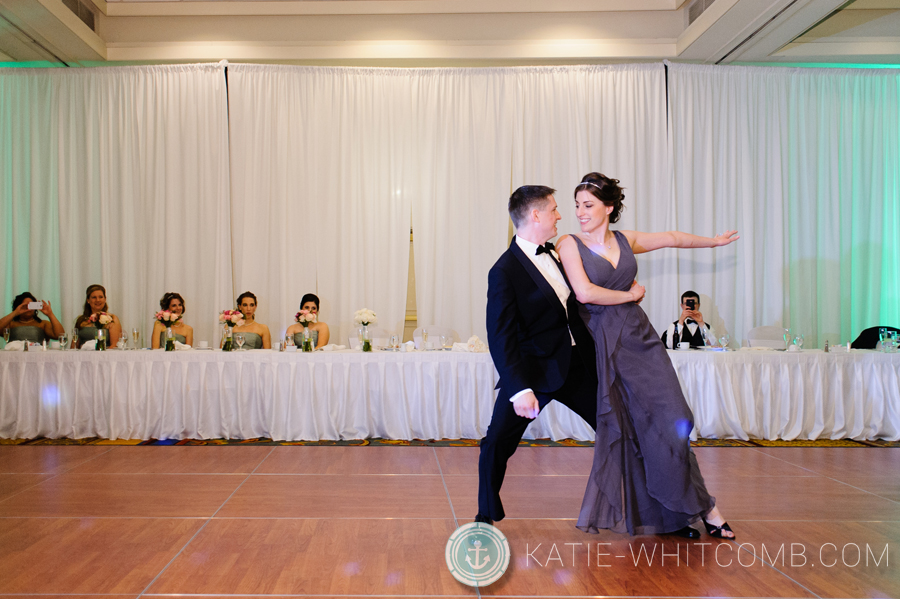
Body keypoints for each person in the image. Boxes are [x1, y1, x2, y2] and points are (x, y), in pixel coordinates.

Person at [556, 172, 738, 539]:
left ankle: (686, 508)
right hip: (607, 344)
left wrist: (713, 243)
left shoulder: (626, 240)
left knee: (675, 419)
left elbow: (672, 238)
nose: (580, 212)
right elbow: (585, 292)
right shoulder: (568, 243)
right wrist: (631, 295)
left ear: (608, 207)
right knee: (640, 430)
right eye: (577, 206)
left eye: (588, 205)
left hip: (641, 338)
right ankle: (690, 514)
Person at [477, 185, 598, 525]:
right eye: (555, 209)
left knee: (618, 430)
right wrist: (519, 389)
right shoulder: (504, 271)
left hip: (577, 367)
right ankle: (485, 516)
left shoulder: (557, 253)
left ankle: (659, 511)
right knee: (496, 444)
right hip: (531, 373)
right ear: (535, 215)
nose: (561, 215)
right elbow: (500, 336)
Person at [0, 292, 65, 344]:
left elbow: (60, 335)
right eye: (25, 306)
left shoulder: (42, 324)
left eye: (31, 305)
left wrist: (50, 314)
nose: (28, 309)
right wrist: (15, 312)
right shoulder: (10, 324)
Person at [74, 284, 123, 348]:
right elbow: (74, 345)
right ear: (88, 300)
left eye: (101, 297)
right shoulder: (80, 320)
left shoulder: (112, 319)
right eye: (94, 297)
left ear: (105, 299)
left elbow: (114, 345)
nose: (98, 300)